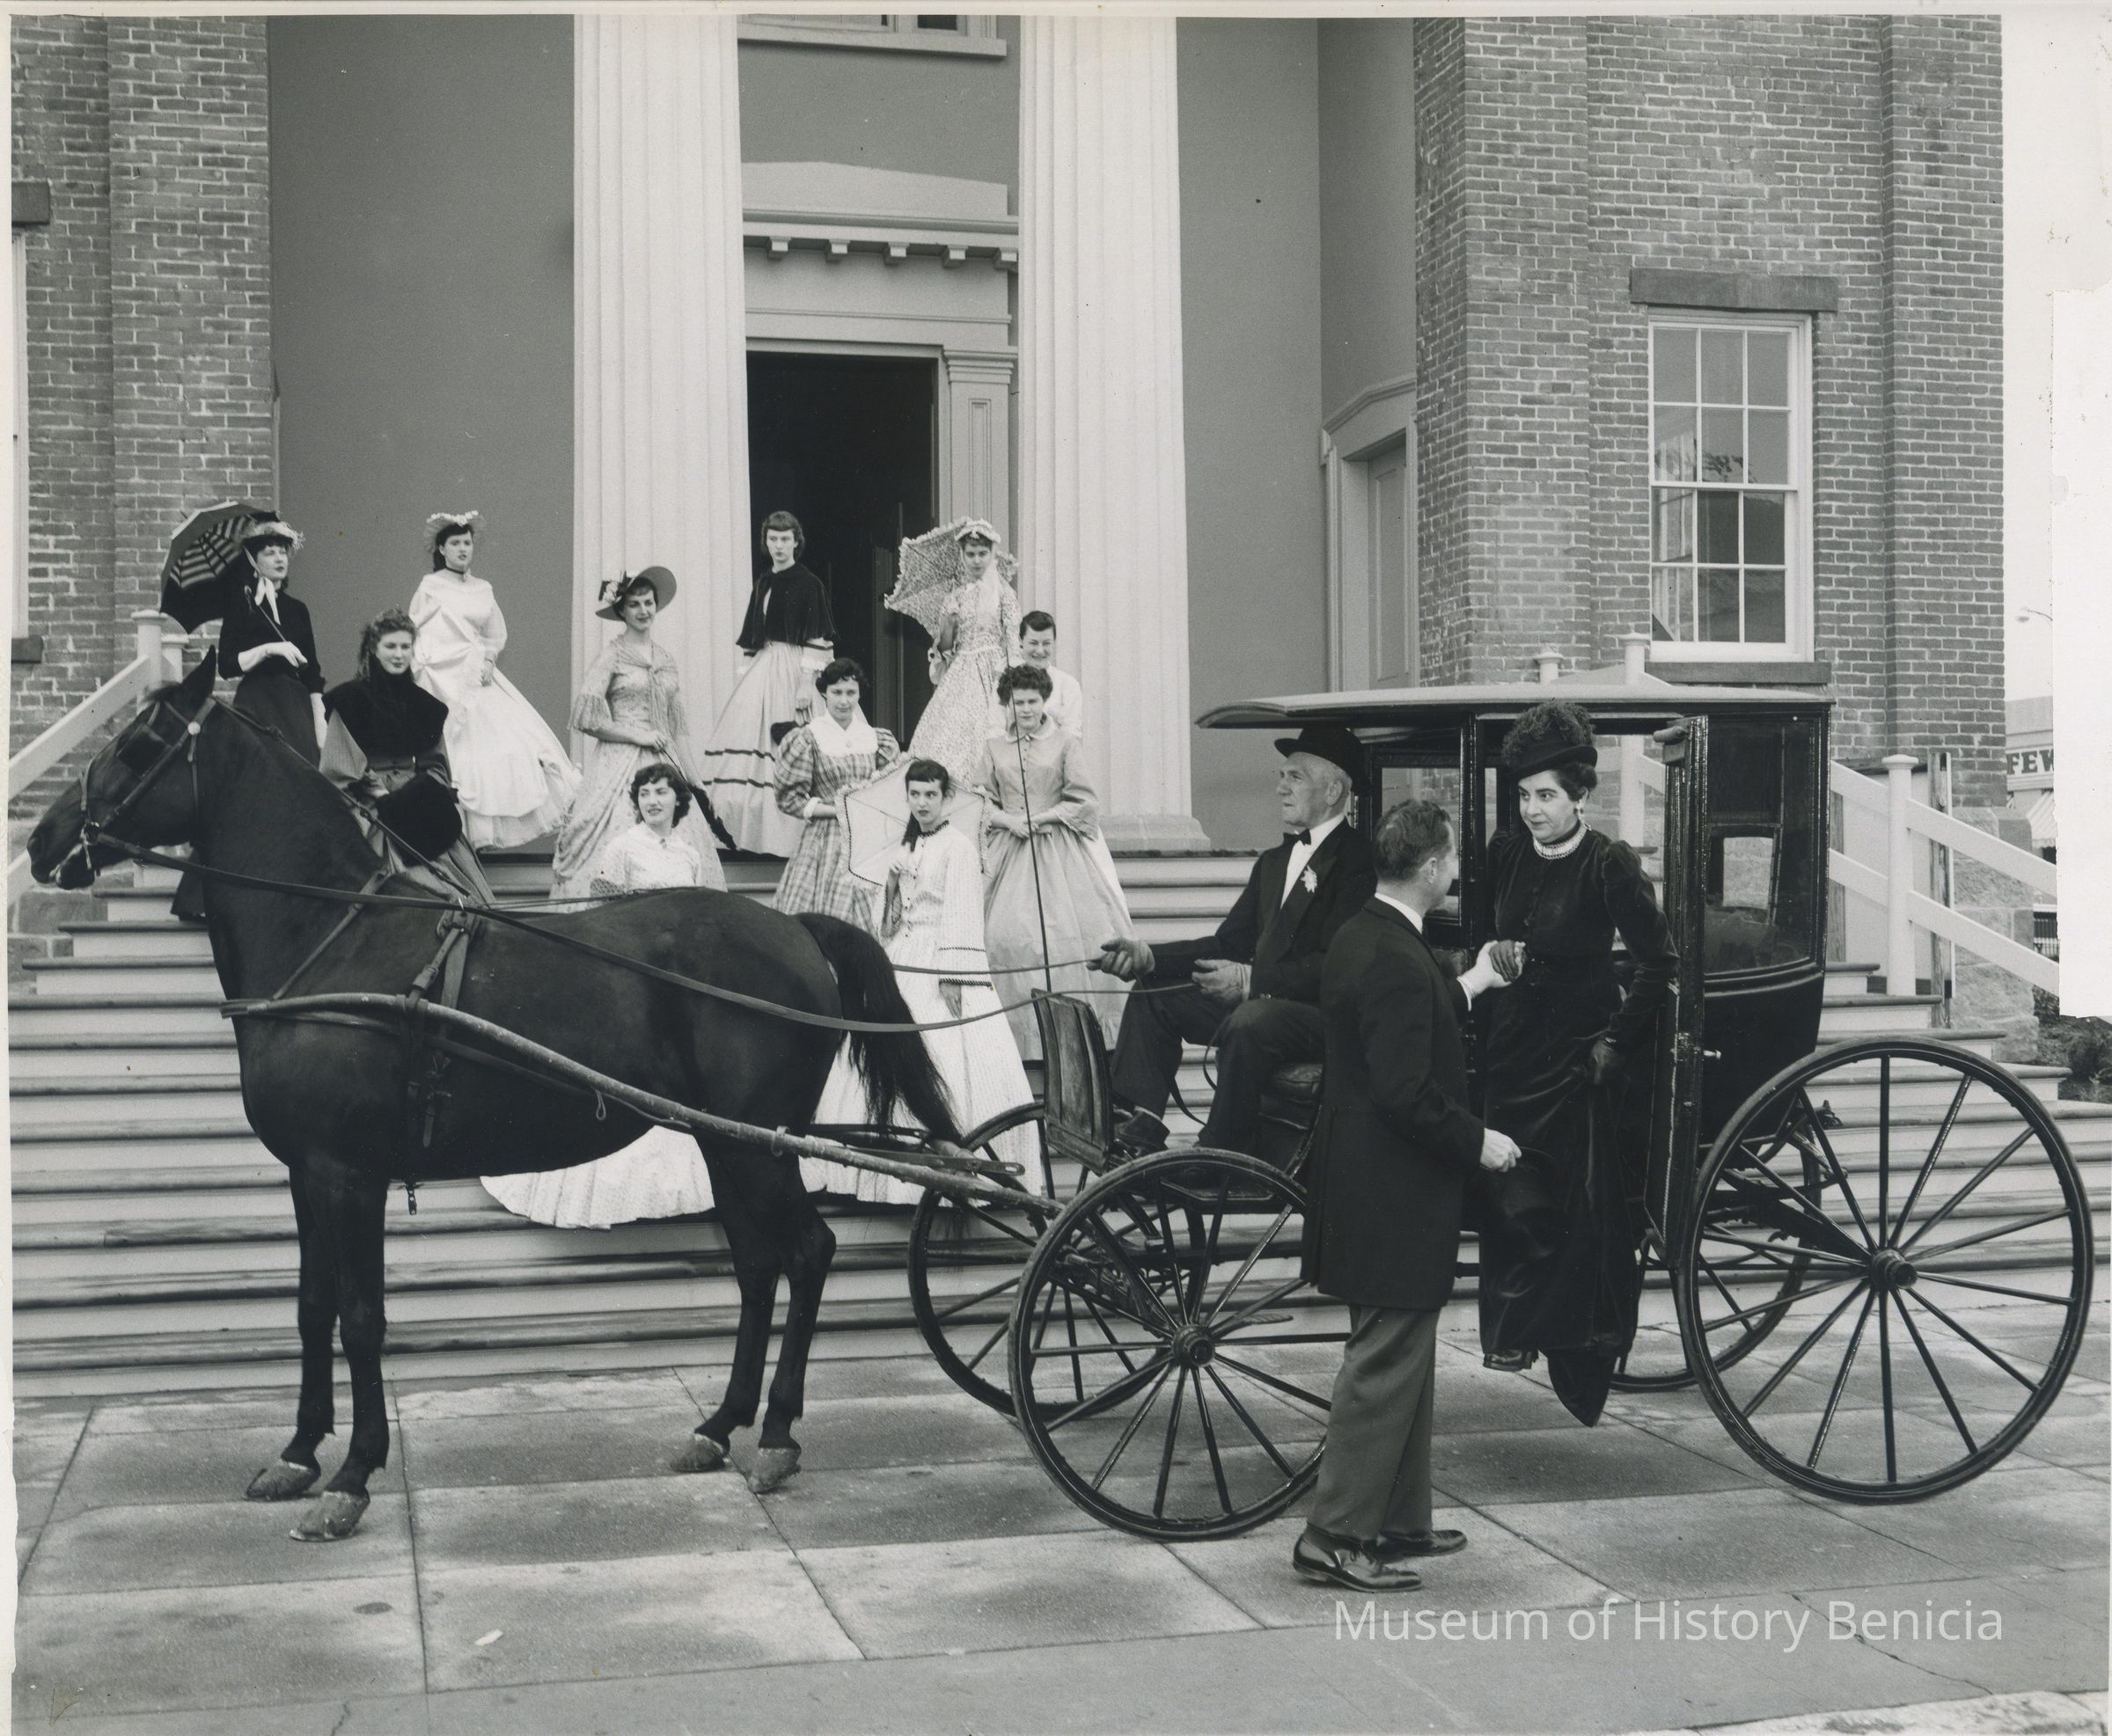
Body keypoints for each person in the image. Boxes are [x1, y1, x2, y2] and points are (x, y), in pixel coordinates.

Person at [1294, 799, 1518, 1593]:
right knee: (1386, 1360)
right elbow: (1404, 1090)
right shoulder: (1393, 951)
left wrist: (1475, 982)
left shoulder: (1367, 932)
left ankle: (1397, 1520)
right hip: (1392, 1190)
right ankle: (1332, 1536)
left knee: (1405, 1355)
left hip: (1368, 1182)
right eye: (1451, 859)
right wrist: (1477, 1140)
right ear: (1429, 869)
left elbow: (1410, 1012)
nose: (1456, 870)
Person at [1475, 700, 1677, 1427]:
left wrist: (1614, 1042)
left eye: (1547, 796)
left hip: (1574, 1063)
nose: (1533, 810)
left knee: (1569, 1212)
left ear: (1581, 795)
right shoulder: (1507, 854)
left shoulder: (1608, 864)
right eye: (1524, 796)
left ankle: (1574, 1342)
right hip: (1511, 1053)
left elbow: (1660, 963)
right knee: (1509, 1198)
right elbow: (1482, 935)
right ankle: (1514, 1333)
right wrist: (1493, 950)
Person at [1091, 724, 1377, 1157]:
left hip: (1323, 1019)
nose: (1280, 788)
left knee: (1251, 1019)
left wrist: (1250, 982)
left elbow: (1340, 964)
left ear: (1334, 790)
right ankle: (1136, 1130)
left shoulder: (1360, 862)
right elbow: (1227, 945)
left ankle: (1219, 1153)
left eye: (1295, 777)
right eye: (1281, 776)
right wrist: (1149, 957)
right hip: (1263, 1006)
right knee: (1156, 994)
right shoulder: (1275, 862)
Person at [482, 764, 719, 1227]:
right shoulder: (622, 847)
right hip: (636, 967)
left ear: (678, 800)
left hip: (677, 976)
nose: (653, 801)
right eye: (645, 794)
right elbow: (605, 912)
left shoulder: (689, 854)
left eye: (661, 792)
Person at [800, 759, 1042, 1202]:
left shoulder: (958, 847)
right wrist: (891, 884)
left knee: (942, 1050)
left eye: (931, 794)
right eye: (915, 794)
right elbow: (889, 925)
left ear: (946, 797)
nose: (923, 803)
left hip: (942, 957)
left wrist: (952, 976)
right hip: (904, 955)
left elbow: (963, 912)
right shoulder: (905, 846)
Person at [972, 663, 1134, 1058]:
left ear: (1044, 701)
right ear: (1006, 705)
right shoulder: (993, 747)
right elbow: (979, 801)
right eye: (1018, 702)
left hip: (1057, 851)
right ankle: (1015, 1044)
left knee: (1068, 939)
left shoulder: (1064, 743)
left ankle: (1069, 1039)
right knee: (1002, 937)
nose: (1026, 709)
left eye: (1032, 701)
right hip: (1008, 850)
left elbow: (1084, 801)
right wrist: (1008, 820)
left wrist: (1045, 817)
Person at [172, 515, 328, 920]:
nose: (279, 558)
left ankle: (294, 889)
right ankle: (204, 897)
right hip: (257, 702)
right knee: (243, 790)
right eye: (269, 552)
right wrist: (270, 650)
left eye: (283, 552)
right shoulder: (242, 606)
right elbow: (227, 665)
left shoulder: (297, 610)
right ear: (254, 561)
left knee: (301, 788)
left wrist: (319, 718)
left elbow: (313, 671)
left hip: (295, 705)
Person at [553, 566, 729, 898]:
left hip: (663, 760)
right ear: (621, 611)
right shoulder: (611, 656)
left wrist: (696, 782)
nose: (643, 611)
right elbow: (587, 719)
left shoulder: (666, 659)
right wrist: (637, 735)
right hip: (619, 764)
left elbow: (677, 727)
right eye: (634, 604)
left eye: (648, 603)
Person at [408, 510, 578, 850]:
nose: (463, 549)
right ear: (441, 549)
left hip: (476, 676)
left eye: (467, 543)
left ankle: (477, 841)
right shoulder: (430, 586)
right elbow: (415, 630)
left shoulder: (483, 588)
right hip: (441, 678)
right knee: (453, 753)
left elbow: (494, 633)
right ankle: (452, 840)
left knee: (504, 750)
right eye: (455, 543)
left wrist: (488, 659)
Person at [319, 609, 493, 901]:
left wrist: (416, 794)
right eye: (390, 646)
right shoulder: (350, 700)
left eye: (405, 646)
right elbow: (338, 768)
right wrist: (379, 793)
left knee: (458, 888)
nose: (399, 655)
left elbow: (437, 766)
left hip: (416, 802)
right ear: (374, 648)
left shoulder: (425, 705)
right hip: (367, 804)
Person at [697, 509, 836, 857]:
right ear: (767, 542)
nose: (779, 546)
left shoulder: (809, 583)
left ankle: (795, 837)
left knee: (793, 744)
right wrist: (745, 680)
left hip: (794, 668)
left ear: (796, 542)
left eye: (785, 539)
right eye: (773, 539)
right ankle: (754, 838)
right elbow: (752, 638)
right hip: (763, 667)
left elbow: (817, 636)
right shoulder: (763, 583)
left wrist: (805, 683)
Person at [773, 657, 900, 932]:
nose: (844, 701)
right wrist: (839, 809)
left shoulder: (875, 738)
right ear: (824, 693)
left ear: (859, 694)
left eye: (851, 693)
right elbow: (789, 799)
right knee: (824, 923)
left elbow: (888, 791)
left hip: (868, 839)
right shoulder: (809, 737)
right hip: (826, 839)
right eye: (837, 692)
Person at [907, 520, 1018, 780]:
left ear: (992, 554)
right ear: (962, 555)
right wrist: (949, 624)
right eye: (970, 554)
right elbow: (946, 647)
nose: (976, 560)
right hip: (961, 671)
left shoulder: (1003, 593)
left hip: (994, 668)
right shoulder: (954, 596)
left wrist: (1010, 675)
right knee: (952, 729)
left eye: (982, 553)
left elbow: (1013, 637)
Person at [1017, 610, 1083, 741]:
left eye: (1046, 643)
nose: (1040, 651)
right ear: (1021, 641)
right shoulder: (1007, 682)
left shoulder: (1068, 685)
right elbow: (997, 730)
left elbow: (1071, 735)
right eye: (1033, 643)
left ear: (1054, 643)